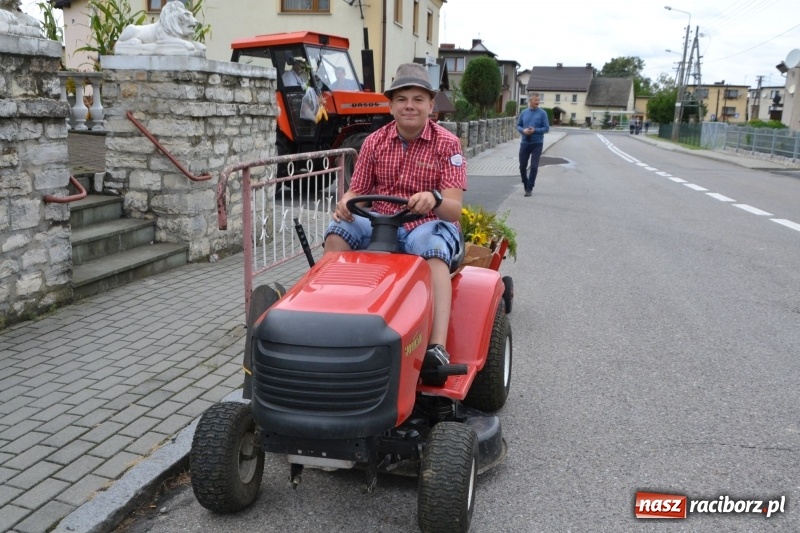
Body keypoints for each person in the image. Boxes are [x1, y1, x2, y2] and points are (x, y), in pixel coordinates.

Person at [324, 62, 466, 382]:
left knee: (432, 248)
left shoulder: (448, 144)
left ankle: (436, 346)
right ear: (390, 106)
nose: (409, 106)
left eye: (418, 99)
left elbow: (455, 208)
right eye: (402, 99)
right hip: (379, 221)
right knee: (337, 232)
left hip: (426, 222)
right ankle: (335, 320)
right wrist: (346, 202)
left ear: (431, 105)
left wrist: (435, 198)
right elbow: (357, 190)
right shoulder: (374, 142)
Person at [516, 92, 549, 197]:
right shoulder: (524, 112)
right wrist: (523, 130)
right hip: (525, 142)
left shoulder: (543, 113)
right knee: (522, 167)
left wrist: (535, 130)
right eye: (536, 100)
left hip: (537, 143)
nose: (537, 102)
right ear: (530, 101)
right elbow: (518, 126)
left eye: (538, 100)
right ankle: (526, 184)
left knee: (534, 167)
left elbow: (546, 128)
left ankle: (529, 188)